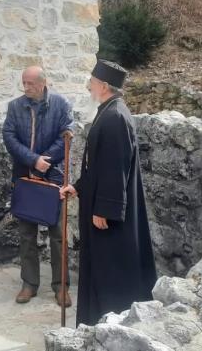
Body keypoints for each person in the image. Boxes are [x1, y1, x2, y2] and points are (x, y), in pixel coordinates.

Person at [60, 59, 157, 326]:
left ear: (103, 85)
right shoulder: (108, 111)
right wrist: (78, 187)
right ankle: (95, 321)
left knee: (110, 269)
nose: (88, 86)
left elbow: (116, 167)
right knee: (100, 267)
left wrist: (105, 208)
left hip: (107, 217)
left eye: (92, 82)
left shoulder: (115, 117)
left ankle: (111, 324)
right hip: (99, 206)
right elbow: (97, 164)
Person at [2, 66, 74, 307]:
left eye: (30, 83)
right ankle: (29, 284)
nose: (26, 87)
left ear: (43, 83)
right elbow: (9, 137)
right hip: (25, 176)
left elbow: (67, 135)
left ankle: (61, 286)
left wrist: (45, 161)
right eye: (24, 82)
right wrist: (33, 160)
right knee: (26, 234)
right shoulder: (15, 106)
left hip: (54, 177)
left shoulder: (61, 105)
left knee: (58, 235)